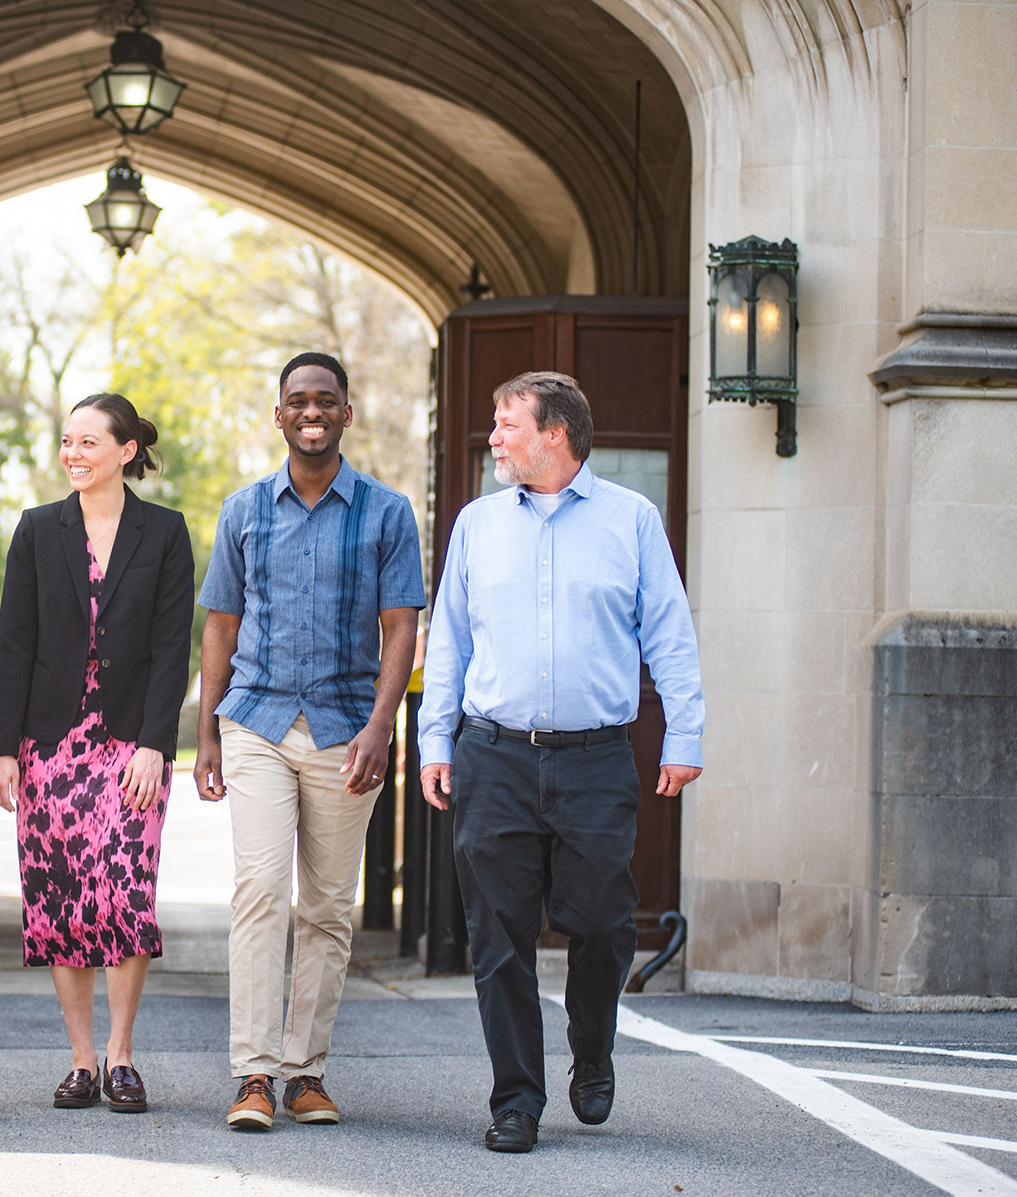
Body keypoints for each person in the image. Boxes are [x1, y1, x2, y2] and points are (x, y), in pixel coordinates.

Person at [417, 370, 704, 1154]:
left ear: (556, 433)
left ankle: (591, 1048)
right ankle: (515, 1099)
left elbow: (668, 634)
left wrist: (684, 734)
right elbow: (448, 640)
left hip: (594, 759)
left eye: (508, 423)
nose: (495, 437)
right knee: (497, 936)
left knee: (606, 923)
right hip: (492, 755)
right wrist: (433, 739)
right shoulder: (476, 523)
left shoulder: (631, 520)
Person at [195, 352, 424, 1131]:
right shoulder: (244, 510)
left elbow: (401, 629)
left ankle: (305, 1071)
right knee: (259, 891)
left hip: (342, 728)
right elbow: (219, 625)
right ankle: (253, 1072)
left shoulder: (387, 513)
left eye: (325, 399)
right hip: (255, 719)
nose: (312, 410)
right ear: (279, 414)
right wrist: (206, 734)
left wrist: (378, 726)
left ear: (346, 413)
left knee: (326, 906)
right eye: (298, 400)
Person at [0, 393, 195, 1114]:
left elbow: (174, 647)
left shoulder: (163, 532)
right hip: (50, 743)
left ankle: (122, 1056)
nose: (73, 454)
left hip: (129, 743)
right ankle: (79, 1060)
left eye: (87, 442)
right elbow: (13, 642)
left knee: (127, 893)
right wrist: (2, 751)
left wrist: (155, 744)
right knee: (60, 899)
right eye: (66, 442)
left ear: (126, 450)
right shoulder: (38, 529)